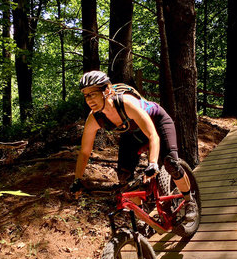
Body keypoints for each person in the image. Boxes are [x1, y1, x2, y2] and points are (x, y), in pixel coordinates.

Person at [70, 70, 198, 222]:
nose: (89, 99)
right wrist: (77, 180)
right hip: (132, 134)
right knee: (125, 179)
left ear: (107, 90)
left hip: (158, 123)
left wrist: (152, 164)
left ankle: (190, 202)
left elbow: (153, 136)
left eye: (92, 94)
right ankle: (143, 219)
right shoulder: (94, 118)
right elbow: (84, 153)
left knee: (170, 163)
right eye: (85, 95)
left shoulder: (126, 103)